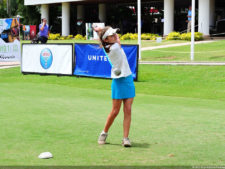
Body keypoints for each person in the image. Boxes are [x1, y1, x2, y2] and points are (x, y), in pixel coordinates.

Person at [93, 25, 135, 147]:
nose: (115, 36)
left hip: (127, 79)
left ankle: (125, 138)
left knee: (128, 110)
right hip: (118, 81)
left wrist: (99, 31)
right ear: (106, 40)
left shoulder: (110, 45)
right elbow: (117, 41)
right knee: (115, 111)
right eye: (111, 35)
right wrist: (100, 31)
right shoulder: (115, 48)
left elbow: (111, 38)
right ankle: (104, 132)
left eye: (114, 34)